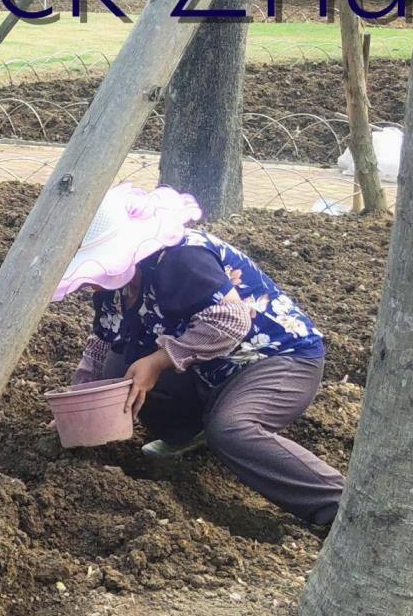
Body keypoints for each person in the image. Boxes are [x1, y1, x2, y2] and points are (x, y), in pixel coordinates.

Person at [53, 183, 345, 527]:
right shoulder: (113, 286)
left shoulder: (181, 258)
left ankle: (338, 506)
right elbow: (102, 342)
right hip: (207, 367)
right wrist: (76, 404)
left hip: (272, 359)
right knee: (119, 370)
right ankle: (192, 435)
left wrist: (159, 360)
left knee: (232, 429)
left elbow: (231, 320)